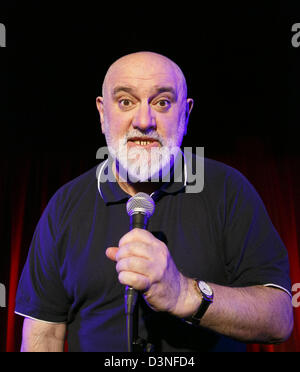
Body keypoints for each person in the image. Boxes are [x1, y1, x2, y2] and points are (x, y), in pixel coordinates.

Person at [15, 51, 293, 352]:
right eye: (125, 101)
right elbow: (43, 334)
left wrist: (184, 294)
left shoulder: (229, 189)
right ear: (102, 114)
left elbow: (278, 318)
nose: (144, 121)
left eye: (162, 103)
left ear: (185, 115)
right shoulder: (64, 206)